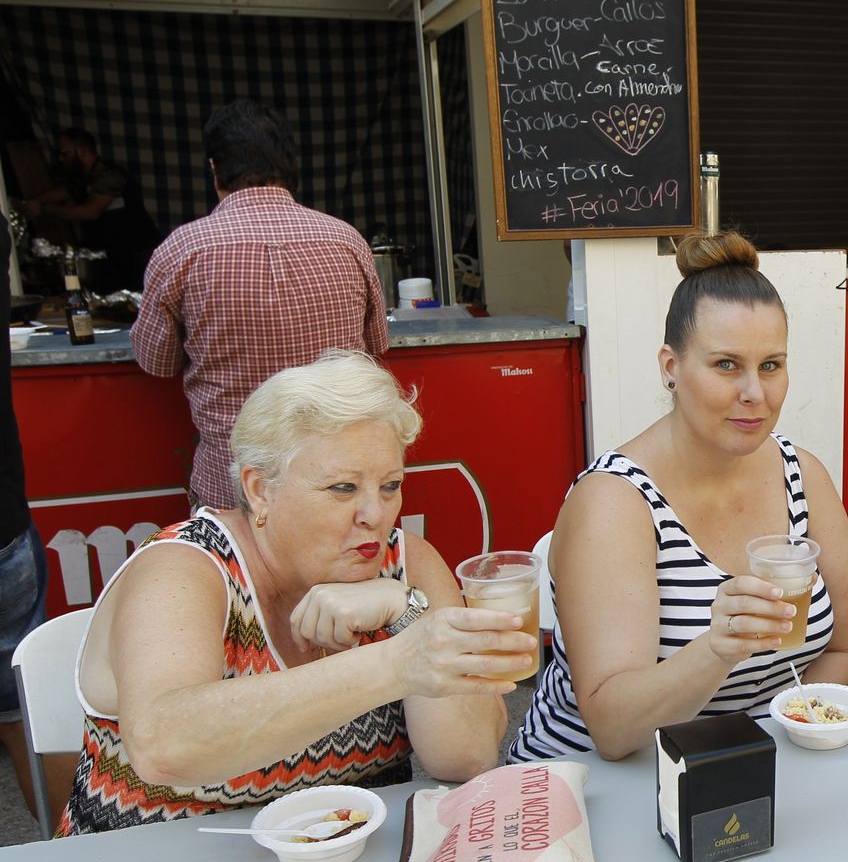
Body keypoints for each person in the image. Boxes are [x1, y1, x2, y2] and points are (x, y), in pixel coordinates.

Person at [60, 351, 532, 833]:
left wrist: (407, 615)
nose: (376, 513)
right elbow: (165, 746)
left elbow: (466, 756)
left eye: (390, 485)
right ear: (260, 490)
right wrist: (396, 664)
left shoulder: (404, 564)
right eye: (342, 488)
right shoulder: (184, 566)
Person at [509, 230, 848, 761]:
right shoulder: (615, 502)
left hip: (738, 773)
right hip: (593, 787)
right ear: (671, 368)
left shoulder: (803, 475)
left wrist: (788, 744)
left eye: (771, 365)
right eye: (726, 365)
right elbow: (612, 729)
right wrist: (718, 649)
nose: (755, 393)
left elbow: (843, 645)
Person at [131, 99, 388, 512]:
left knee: (236, 577)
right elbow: (376, 344)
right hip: (336, 480)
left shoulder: (181, 252)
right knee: (342, 577)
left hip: (234, 484)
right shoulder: (347, 242)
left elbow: (154, 362)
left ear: (215, 169)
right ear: (289, 166)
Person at [0, 222, 55, 826]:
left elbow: (155, 352)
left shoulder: (186, 248)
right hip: (2, 523)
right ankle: (55, 843)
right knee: (20, 704)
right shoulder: (343, 241)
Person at [17, 128, 161, 293]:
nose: (61, 159)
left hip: (136, 256)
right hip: (113, 257)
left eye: (65, 153)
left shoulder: (109, 176)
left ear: (81, 150)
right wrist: (32, 202)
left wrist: (43, 208)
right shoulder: (85, 177)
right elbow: (64, 191)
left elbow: (89, 212)